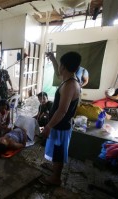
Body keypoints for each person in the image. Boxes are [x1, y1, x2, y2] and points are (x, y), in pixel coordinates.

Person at [40, 51, 81, 186]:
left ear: (63, 66)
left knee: (58, 152)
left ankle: (55, 179)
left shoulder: (70, 85)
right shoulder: (68, 79)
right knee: (56, 150)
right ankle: (54, 170)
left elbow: (62, 110)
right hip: (59, 124)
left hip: (61, 125)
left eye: (60, 65)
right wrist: (52, 59)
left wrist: (48, 126)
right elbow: (58, 74)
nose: (59, 68)